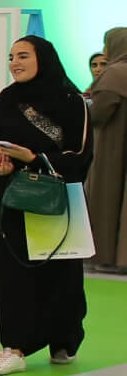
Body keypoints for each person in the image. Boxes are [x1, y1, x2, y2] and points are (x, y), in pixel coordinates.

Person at [0, 35, 90, 376]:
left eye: (23, 55)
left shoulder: (71, 101)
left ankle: (64, 340)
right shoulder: (6, 100)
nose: (15, 63)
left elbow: (80, 155)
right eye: (11, 57)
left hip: (53, 196)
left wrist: (35, 159)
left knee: (61, 273)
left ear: (44, 58)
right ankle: (14, 347)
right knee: (11, 273)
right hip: (8, 196)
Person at [80, 26, 127, 275]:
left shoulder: (114, 74)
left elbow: (99, 113)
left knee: (106, 199)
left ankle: (106, 257)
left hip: (112, 149)